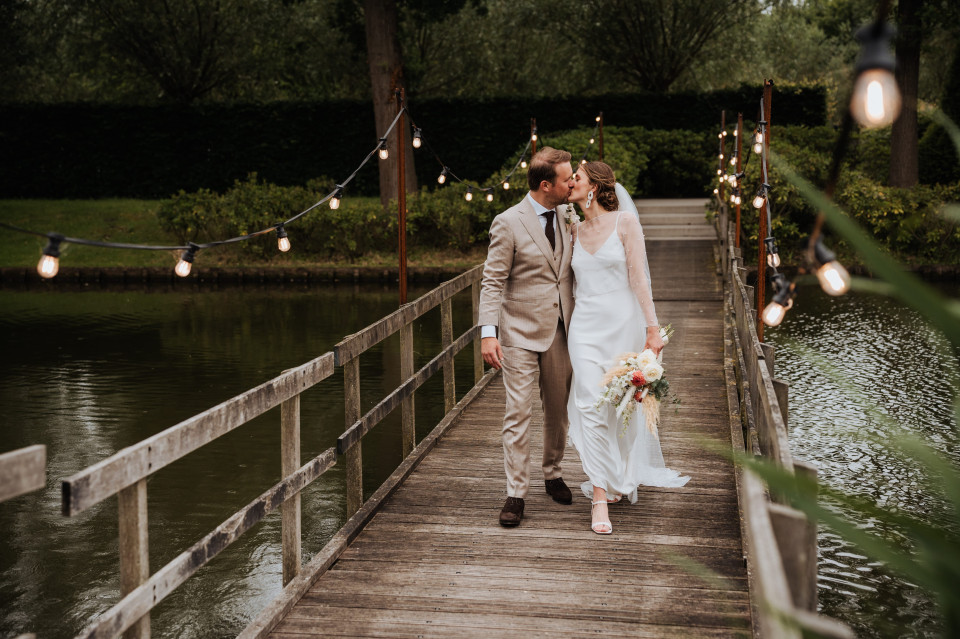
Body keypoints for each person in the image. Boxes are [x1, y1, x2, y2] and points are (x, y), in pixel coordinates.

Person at [565, 162, 690, 535]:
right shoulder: (572, 229)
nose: (571, 182)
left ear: (594, 188)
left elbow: (639, 277)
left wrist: (652, 330)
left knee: (619, 404)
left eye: (577, 178)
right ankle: (599, 496)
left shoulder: (625, 223)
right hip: (584, 329)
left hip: (622, 326)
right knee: (588, 402)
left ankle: (616, 474)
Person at [478, 147, 577, 527]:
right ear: (545, 185)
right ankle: (516, 493)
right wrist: (489, 334)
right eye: (566, 179)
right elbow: (492, 282)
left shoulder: (569, 214)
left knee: (558, 410)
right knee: (518, 412)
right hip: (517, 332)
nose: (572, 183)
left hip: (561, 331)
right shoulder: (508, 221)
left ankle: (553, 473)